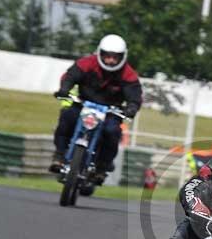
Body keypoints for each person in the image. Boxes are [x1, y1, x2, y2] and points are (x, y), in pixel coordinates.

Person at [49, 34, 142, 181]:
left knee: (113, 131)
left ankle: (102, 167)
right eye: (107, 56)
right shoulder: (87, 63)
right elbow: (70, 76)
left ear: (122, 57)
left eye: (115, 57)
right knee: (66, 117)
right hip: (82, 104)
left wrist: (131, 108)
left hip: (111, 110)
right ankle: (59, 155)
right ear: (100, 53)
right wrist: (64, 89)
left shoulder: (128, 74)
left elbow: (135, 95)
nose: (110, 60)